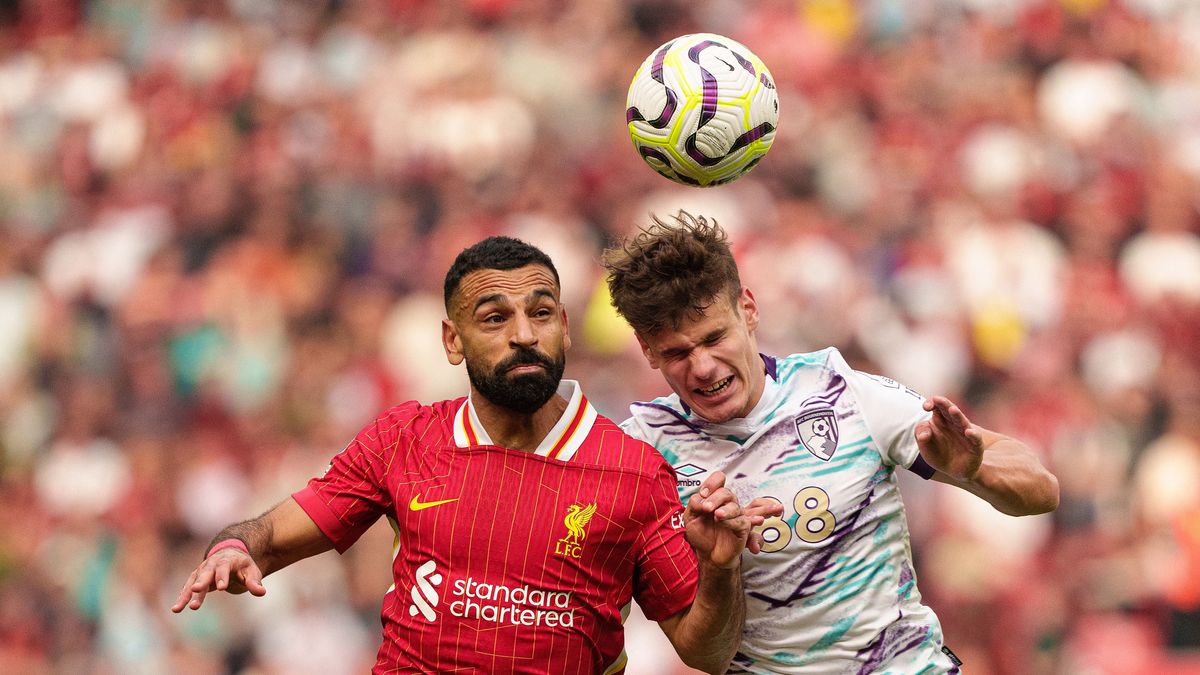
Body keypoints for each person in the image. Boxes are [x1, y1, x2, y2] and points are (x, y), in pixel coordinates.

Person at [171, 236, 780, 674]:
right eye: (495, 318)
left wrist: (722, 568)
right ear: (451, 341)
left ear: (566, 328)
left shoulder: (635, 471)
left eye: (541, 313)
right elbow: (271, 537)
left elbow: (707, 651)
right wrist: (233, 548)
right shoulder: (404, 439)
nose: (523, 333)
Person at [601, 211, 1061, 674]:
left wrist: (974, 470)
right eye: (677, 353)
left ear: (749, 309)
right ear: (646, 349)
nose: (702, 367)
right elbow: (705, 655)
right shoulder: (641, 454)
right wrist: (721, 567)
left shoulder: (842, 393)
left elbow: (1042, 493)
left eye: (714, 338)